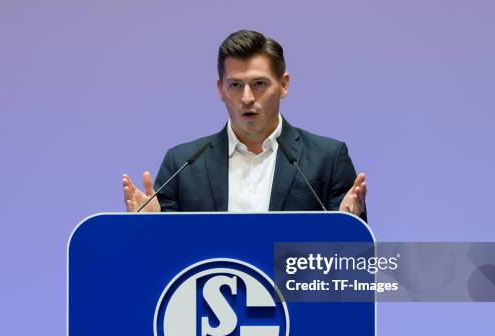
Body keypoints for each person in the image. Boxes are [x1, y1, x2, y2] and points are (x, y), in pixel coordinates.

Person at [122, 30, 366, 220]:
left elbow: (351, 261)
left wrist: (347, 226)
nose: (247, 97)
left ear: (283, 85)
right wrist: (151, 228)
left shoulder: (327, 158)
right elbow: (165, 261)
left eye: (259, 84)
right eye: (236, 85)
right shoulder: (182, 164)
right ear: (220, 89)